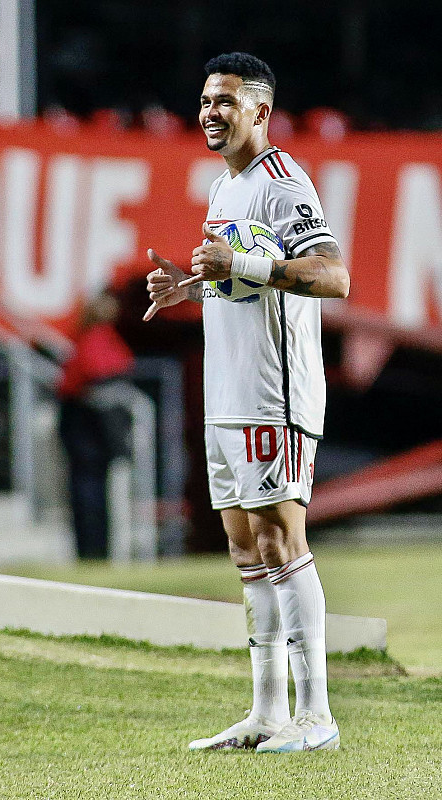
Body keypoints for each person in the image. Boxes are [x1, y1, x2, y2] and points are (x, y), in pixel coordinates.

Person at [144, 52, 350, 754]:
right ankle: (267, 712)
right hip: (227, 395)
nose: (209, 112)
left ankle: (316, 714)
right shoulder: (223, 188)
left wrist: (241, 266)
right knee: (245, 550)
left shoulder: (282, 183)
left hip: (274, 393)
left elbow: (332, 276)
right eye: (205, 100)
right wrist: (191, 286)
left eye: (225, 101)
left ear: (259, 111)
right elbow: (239, 284)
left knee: (283, 543)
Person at [57, 291, 135, 559]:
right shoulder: (95, 336)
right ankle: (93, 550)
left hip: (84, 419)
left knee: (92, 488)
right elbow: (98, 372)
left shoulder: (93, 336)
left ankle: (96, 549)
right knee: (88, 489)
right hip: (83, 420)